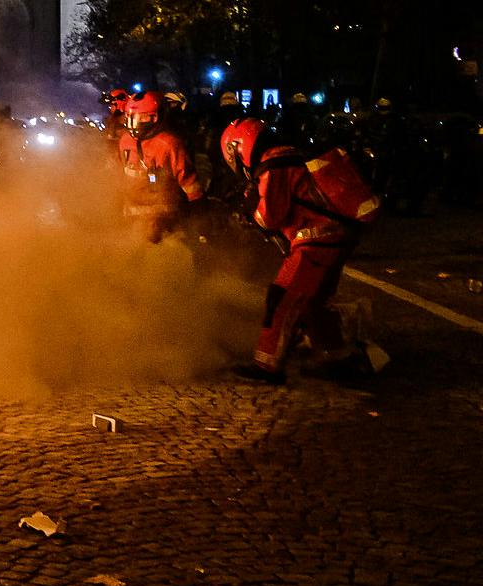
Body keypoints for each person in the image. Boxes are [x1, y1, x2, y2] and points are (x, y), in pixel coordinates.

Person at [219, 118, 379, 383]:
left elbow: (271, 215)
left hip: (314, 242)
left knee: (281, 299)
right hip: (336, 238)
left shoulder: (273, 165)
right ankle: (335, 357)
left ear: (239, 147)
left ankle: (266, 366)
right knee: (313, 303)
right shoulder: (289, 155)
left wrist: (250, 212)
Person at [117, 91, 205, 242]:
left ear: (157, 117)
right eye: (131, 117)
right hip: (132, 219)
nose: (135, 123)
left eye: (142, 117)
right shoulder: (125, 141)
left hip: (165, 222)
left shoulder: (169, 143)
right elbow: (121, 174)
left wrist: (200, 219)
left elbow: (190, 184)